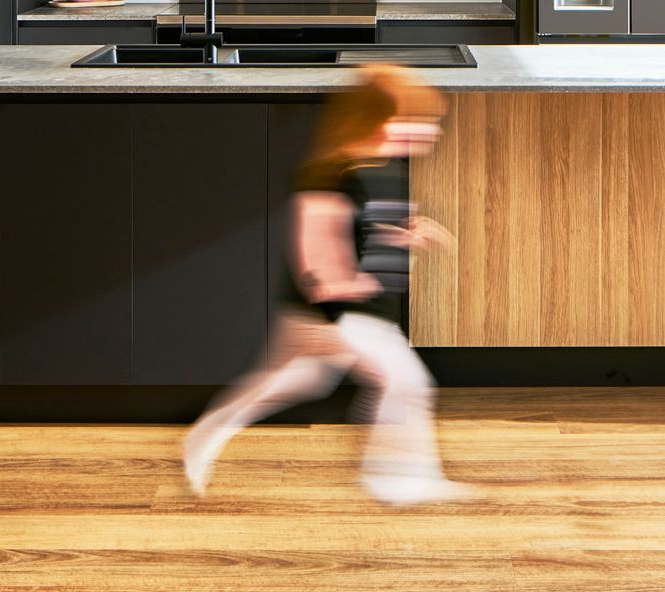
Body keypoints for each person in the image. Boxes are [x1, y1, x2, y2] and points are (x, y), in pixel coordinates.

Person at [182, 65, 472, 505]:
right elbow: (315, 248)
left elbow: (363, 229)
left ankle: (205, 434)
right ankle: (397, 479)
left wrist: (406, 234)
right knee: (405, 380)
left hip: (337, 313)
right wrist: (339, 285)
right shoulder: (331, 176)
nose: (430, 131)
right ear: (380, 123)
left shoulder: (377, 169)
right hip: (335, 312)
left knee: (293, 381)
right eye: (418, 120)